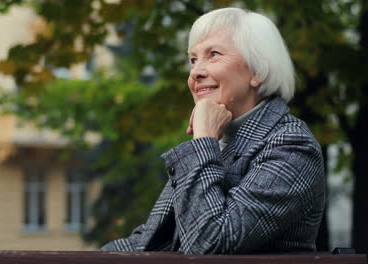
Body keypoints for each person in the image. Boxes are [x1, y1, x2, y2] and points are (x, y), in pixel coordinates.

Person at [100, 7, 325, 254]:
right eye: (193, 59)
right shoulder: (220, 140)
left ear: (258, 71)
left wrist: (204, 140)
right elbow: (154, 240)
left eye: (214, 54)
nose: (195, 72)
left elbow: (210, 244)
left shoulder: (292, 145)